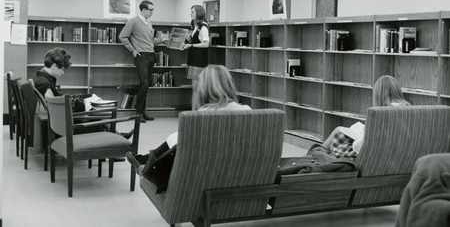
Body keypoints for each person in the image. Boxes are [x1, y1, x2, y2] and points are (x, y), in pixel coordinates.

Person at [126, 65, 251, 191]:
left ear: (204, 88)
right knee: (178, 137)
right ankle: (148, 162)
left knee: (178, 139)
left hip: (205, 177)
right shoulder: (247, 112)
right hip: (241, 174)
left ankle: (149, 165)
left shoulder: (202, 116)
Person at [278, 75, 410, 175]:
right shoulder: (409, 109)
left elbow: (362, 146)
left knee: (338, 131)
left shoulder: (380, 113)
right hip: (396, 157)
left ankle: (313, 156)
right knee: (341, 130)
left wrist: (357, 138)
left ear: (379, 94)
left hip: (366, 155)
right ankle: (314, 156)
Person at [33, 47, 133, 140]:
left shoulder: (42, 75)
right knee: (100, 119)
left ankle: (118, 137)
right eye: (62, 69)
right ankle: (117, 143)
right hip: (61, 125)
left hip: (60, 119)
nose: (63, 73)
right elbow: (52, 104)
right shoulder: (44, 83)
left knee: (96, 112)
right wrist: (77, 104)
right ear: (54, 66)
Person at [119, 0, 165, 123]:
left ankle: (143, 112)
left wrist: (163, 39)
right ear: (143, 10)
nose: (152, 12)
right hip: (141, 56)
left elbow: (150, 41)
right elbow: (122, 36)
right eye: (150, 10)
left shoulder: (149, 23)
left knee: (147, 85)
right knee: (144, 84)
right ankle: (138, 113)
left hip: (150, 55)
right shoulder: (133, 21)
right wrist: (132, 50)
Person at [182, 5, 210, 110]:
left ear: (198, 13)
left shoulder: (203, 26)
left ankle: (195, 112)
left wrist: (191, 45)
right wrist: (190, 40)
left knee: (196, 89)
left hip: (199, 60)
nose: (191, 14)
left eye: (192, 12)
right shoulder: (196, 26)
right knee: (195, 89)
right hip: (194, 59)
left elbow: (206, 44)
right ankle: (194, 111)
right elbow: (197, 41)